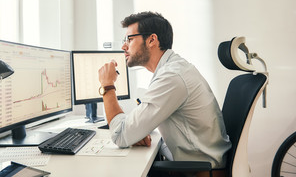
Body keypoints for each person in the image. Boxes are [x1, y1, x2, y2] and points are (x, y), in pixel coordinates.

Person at [98, 11, 231, 168]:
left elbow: (120, 135)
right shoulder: (172, 70)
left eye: (130, 39)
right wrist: (137, 132)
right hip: (196, 165)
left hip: (199, 172)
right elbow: (132, 129)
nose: (124, 46)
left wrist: (107, 86)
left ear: (152, 40)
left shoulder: (172, 76)